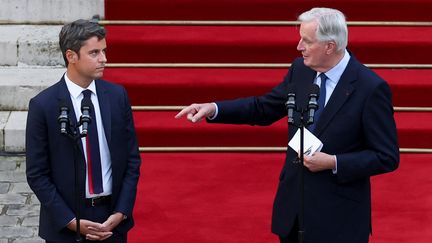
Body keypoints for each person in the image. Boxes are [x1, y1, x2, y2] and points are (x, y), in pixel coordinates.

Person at [175, 7, 399, 243]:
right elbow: (264, 108)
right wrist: (214, 109)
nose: (299, 47)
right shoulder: (300, 70)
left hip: (338, 219)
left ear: (330, 46)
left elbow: (386, 156)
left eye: (307, 41)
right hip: (294, 213)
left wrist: (333, 162)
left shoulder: (370, 88)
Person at [26, 19, 141, 243]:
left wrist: (121, 212)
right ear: (71, 56)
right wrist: (70, 221)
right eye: (95, 53)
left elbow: (132, 160)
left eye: (104, 51)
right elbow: (37, 174)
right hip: (67, 225)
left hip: (112, 222)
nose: (104, 59)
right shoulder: (43, 105)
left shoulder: (118, 96)